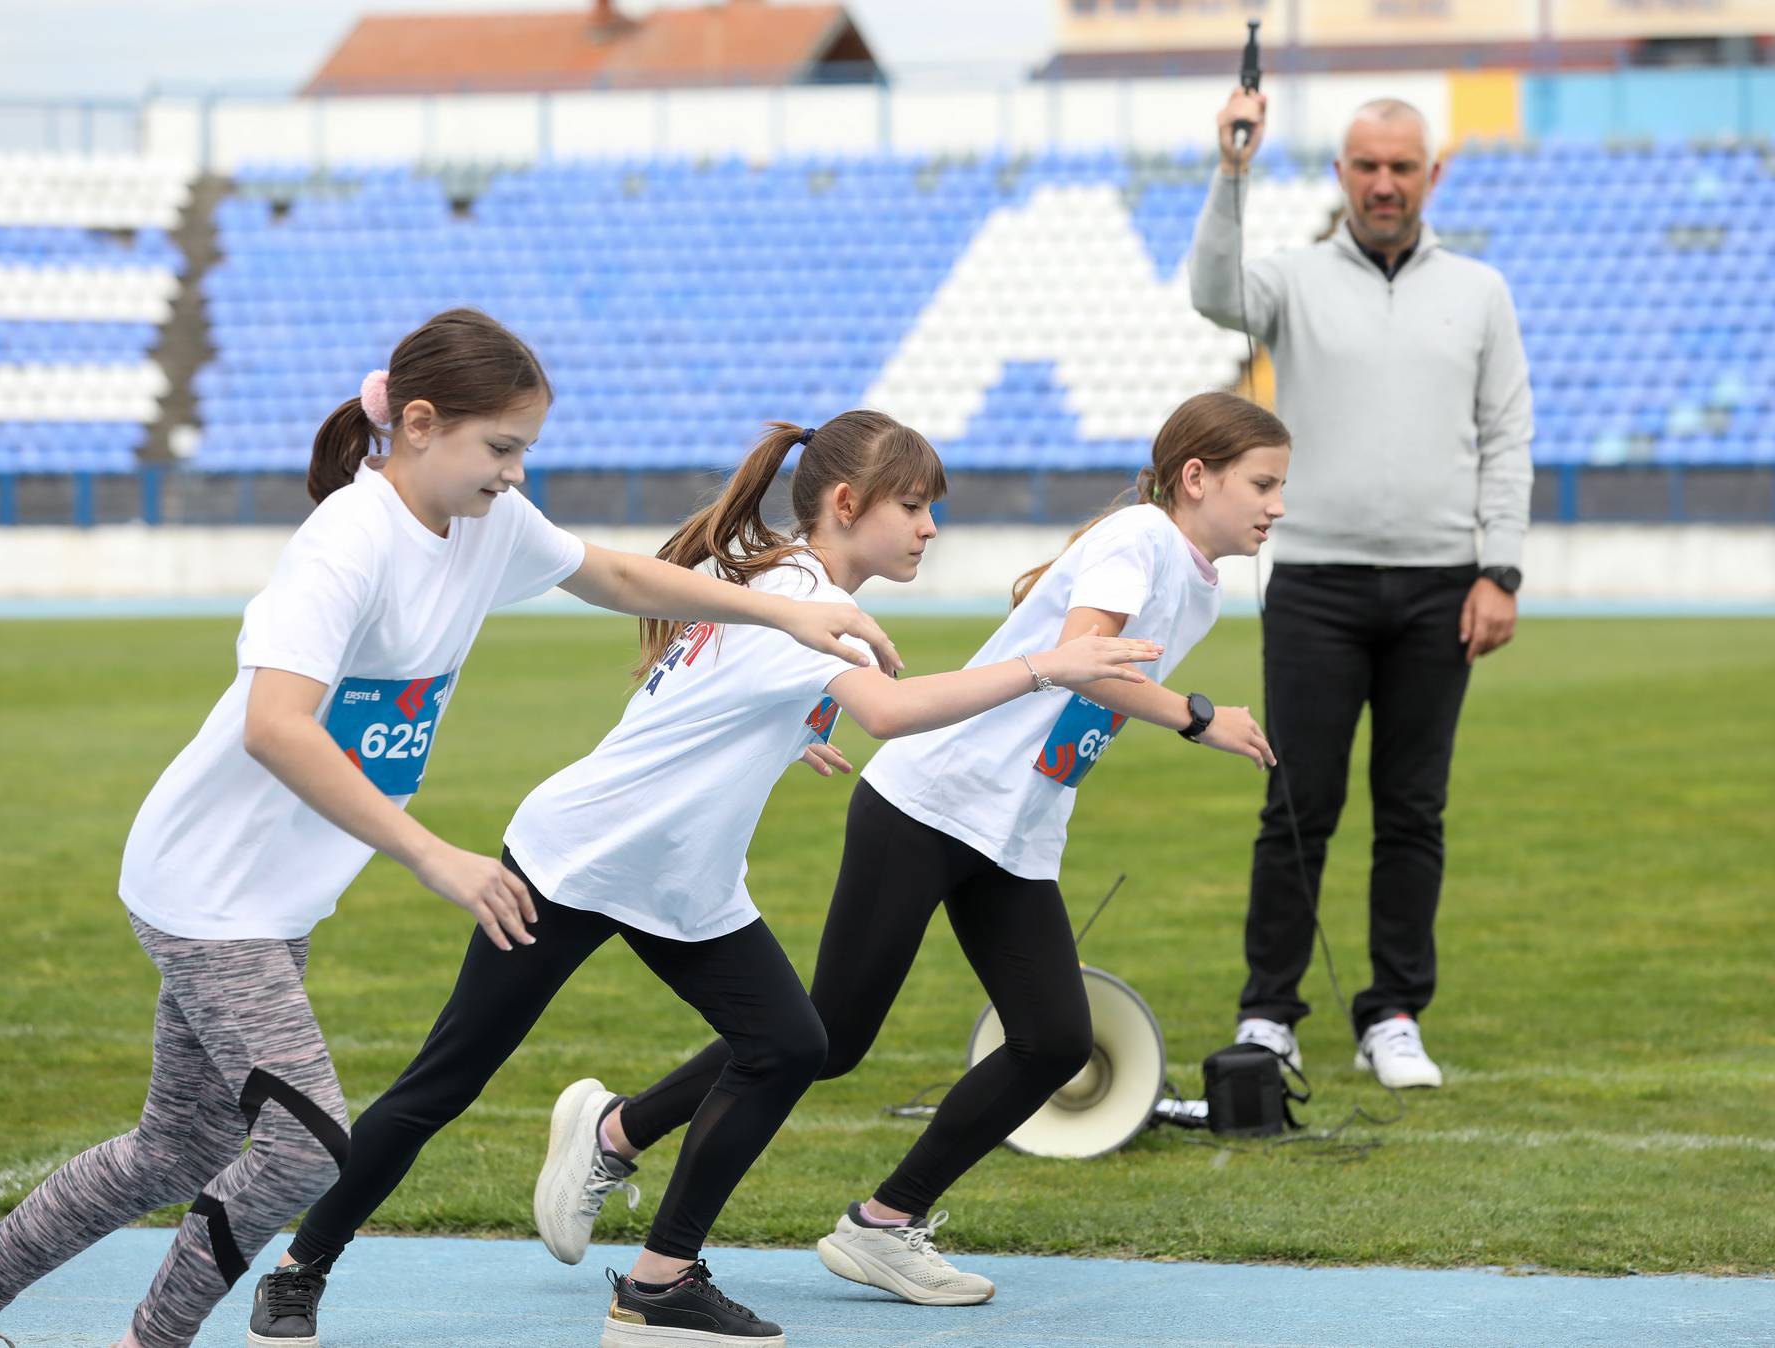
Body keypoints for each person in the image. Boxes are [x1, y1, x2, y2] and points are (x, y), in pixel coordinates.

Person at [0, 309, 909, 1348]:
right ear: (421, 425)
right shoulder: (348, 541)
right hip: (210, 894)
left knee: (176, 1147)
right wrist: (432, 853)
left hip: (276, 896)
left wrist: (783, 611)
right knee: (302, 1146)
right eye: (503, 448)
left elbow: (610, 574)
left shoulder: (483, 523)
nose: (517, 473)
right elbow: (274, 727)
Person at [249, 410, 1161, 1348]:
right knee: (444, 1083)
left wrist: (798, 726)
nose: (931, 527)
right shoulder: (804, 597)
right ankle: (296, 1270)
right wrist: (1046, 663)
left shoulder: (780, 586)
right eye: (916, 507)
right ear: (846, 505)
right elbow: (888, 712)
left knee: (792, 1044)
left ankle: (659, 1283)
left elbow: (733, 690)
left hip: (685, 886)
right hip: (578, 862)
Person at [534, 390, 1287, 1309]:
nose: (1276, 506)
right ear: (1197, 478)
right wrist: (1199, 716)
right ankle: (616, 1132)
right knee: (830, 1038)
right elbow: (1089, 654)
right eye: (1263, 483)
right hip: (930, 802)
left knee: (1054, 1040)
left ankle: (885, 1224)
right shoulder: (1142, 540)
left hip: (1014, 828)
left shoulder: (1191, 571)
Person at [1191, 91, 1535, 1088]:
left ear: (1431, 175)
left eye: (1403, 166)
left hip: (1441, 585)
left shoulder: (1479, 290)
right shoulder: (1293, 279)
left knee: (1413, 809)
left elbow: (1508, 435)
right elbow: (1212, 291)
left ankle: (1392, 1013)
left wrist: (1498, 568)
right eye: (1366, 166)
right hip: (1317, 583)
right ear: (1342, 175)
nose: (1384, 183)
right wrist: (1232, 170)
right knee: (1297, 802)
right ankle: (1269, 1013)